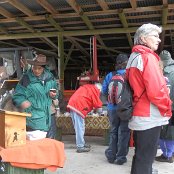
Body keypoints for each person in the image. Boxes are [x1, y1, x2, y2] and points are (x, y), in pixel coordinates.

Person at [127, 23, 172, 174]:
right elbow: (156, 90)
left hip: (139, 113)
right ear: (143, 38)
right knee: (146, 158)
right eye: (155, 36)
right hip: (150, 115)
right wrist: (167, 108)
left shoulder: (134, 57)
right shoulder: (148, 58)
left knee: (140, 156)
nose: (159, 40)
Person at [12, 54, 58, 134]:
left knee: (50, 143)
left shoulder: (50, 77)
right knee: (37, 144)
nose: (36, 70)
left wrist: (54, 95)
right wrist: (22, 102)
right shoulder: (26, 78)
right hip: (34, 119)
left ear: (44, 68)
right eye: (34, 68)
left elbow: (55, 91)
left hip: (50, 116)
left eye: (39, 68)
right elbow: (17, 96)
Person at [102, 53, 130, 165]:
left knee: (113, 131)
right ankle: (121, 157)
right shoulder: (130, 75)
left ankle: (111, 155)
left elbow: (104, 91)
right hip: (125, 108)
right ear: (126, 63)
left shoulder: (110, 75)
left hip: (111, 108)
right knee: (123, 132)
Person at [67, 83, 103, 153]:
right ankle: (80, 146)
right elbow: (97, 104)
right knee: (80, 127)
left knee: (79, 127)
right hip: (78, 106)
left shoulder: (88, 87)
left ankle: (81, 143)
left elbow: (87, 99)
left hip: (73, 104)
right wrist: (100, 112)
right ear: (99, 89)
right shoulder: (95, 90)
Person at [155, 50, 174, 163]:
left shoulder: (163, 71)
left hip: (166, 107)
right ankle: (171, 152)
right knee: (172, 130)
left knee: (164, 132)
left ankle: (167, 155)